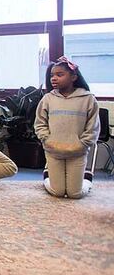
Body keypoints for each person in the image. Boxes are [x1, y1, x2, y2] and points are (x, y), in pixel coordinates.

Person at [35, 57, 100, 199]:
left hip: (77, 152)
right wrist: (47, 140)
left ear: (74, 77)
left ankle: (87, 180)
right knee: (57, 192)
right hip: (53, 151)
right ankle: (47, 177)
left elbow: (93, 127)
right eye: (52, 75)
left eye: (59, 75)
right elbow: (40, 124)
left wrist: (83, 144)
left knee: (74, 194)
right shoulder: (47, 99)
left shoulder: (88, 99)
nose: (54, 78)